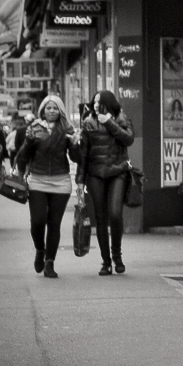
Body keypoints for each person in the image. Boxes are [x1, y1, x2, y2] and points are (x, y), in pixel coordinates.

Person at [16, 96, 81, 279]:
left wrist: (75, 145)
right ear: (43, 110)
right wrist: (28, 141)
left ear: (60, 111)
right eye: (48, 108)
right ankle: (39, 249)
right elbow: (23, 156)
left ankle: (50, 262)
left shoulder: (67, 129)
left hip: (61, 181)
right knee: (37, 221)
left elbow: (77, 159)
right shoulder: (34, 128)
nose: (51, 111)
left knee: (54, 224)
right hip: (37, 180)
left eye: (55, 108)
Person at [76, 90, 134, 276]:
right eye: (94, 102)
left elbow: (128, 139)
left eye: (99, 102)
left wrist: (109, 122)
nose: (95, 105)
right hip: (95, 175)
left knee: (115, 214)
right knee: (100, 219)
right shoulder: (88, 122)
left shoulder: (122, 117)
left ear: (109, 103)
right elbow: (83, 154)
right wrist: (79, 181)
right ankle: (106, 262)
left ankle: (117, 255)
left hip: (118, 172)